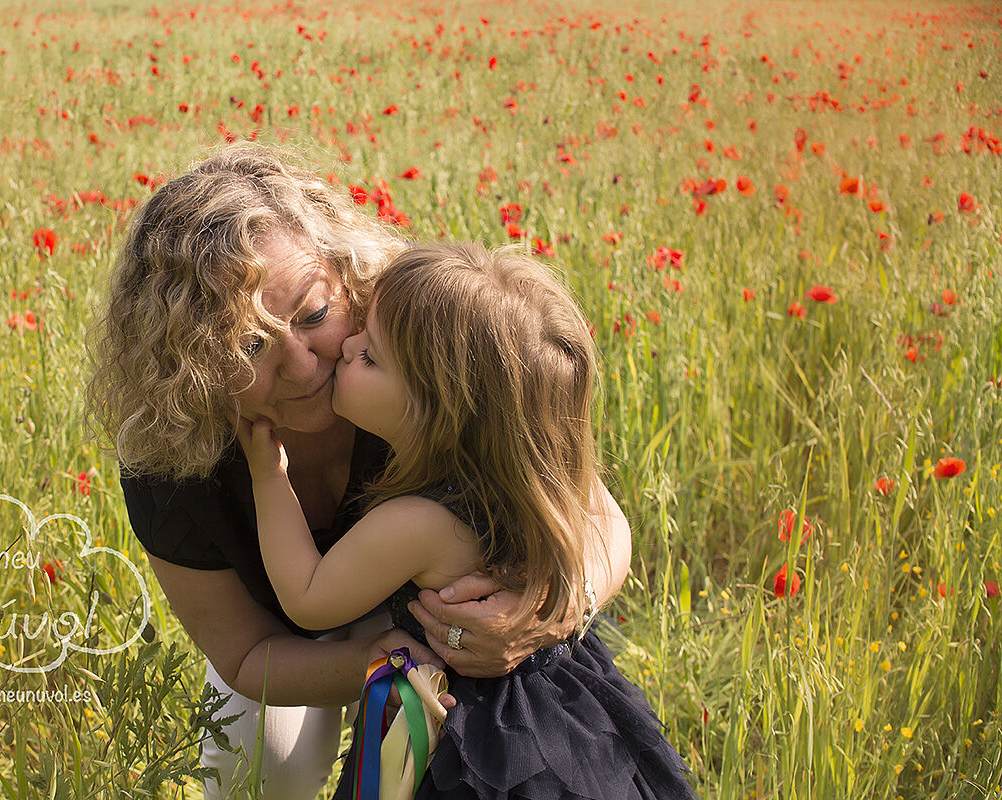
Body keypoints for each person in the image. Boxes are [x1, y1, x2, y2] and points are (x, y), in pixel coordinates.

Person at [85, 144, 633, 799]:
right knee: (261, 769)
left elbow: (589, 510)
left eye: (314, 316)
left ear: (349, 274)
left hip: (467, 634)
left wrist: (551, 610)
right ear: (189, 366)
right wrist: (387, 662)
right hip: (296, 644)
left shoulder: (418, 339)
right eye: (249, 347)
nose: (303, 365)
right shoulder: (168, 454)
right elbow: (243, 654)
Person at [237, 243, 697, 799]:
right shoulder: (528, 476)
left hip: (469, 737)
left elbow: (308, 596)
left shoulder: (420, 522)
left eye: (370, 359)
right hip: (572, 707)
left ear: (436, 412)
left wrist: (268, 476)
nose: (349, 344)